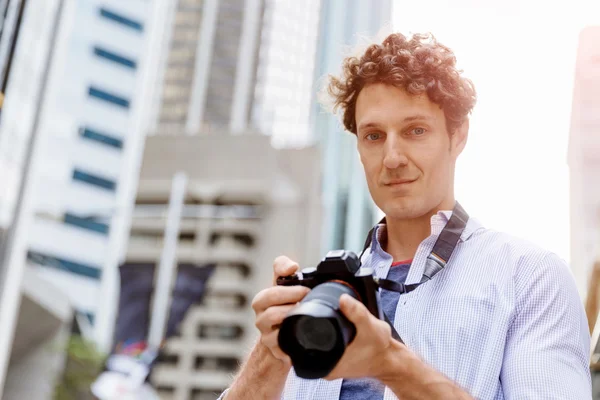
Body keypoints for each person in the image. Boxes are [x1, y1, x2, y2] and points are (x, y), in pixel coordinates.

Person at [219, 32, 592, 399]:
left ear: (457, 135)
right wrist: (269, 355)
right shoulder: (319, 295)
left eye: (415, 130)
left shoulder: (530, 278)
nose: (393, 158)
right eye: (374, 136)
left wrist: (392, 365)